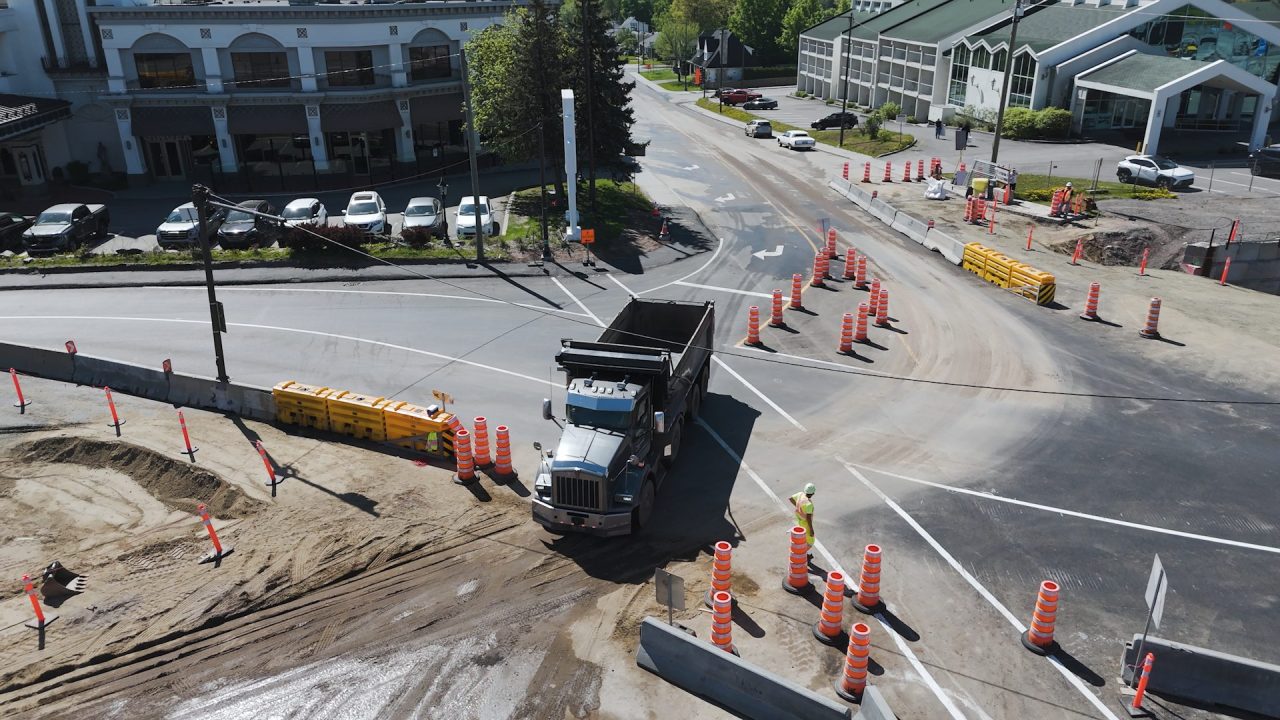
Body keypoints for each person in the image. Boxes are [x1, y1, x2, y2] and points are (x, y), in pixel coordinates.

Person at [789, 483, 816, 556]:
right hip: (805, 523)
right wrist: (811, 529)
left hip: (799, 519)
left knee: (803, 538)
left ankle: (802, 552)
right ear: (813, 493)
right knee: (810, 541)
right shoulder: (809, 504)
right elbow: (808, 518)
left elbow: (790, 498)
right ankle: (801, 553)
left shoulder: (800, 494)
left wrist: (798, 507)